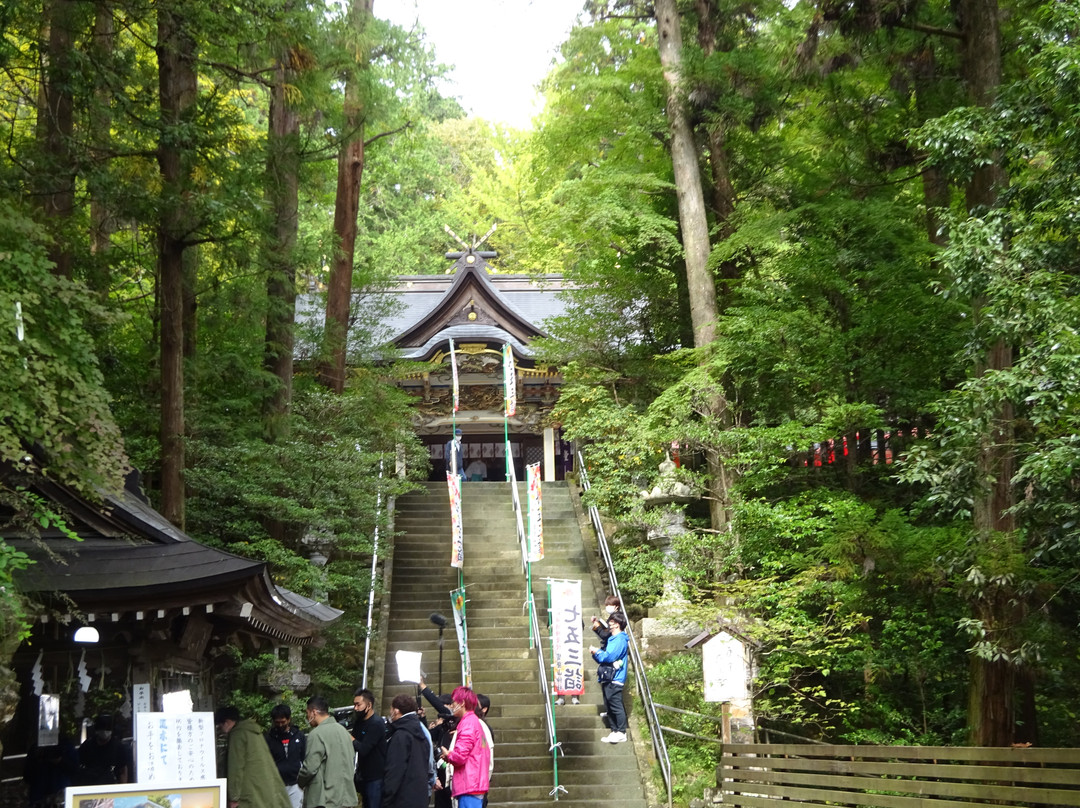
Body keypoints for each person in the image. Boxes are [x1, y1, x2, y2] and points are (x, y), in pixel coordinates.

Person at [215, 706, 293, 808]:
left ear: (227, 722)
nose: (222, 731)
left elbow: (235, 767)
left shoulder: (237, 735)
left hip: (249, 792)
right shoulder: (254, 731)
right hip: (267, 789)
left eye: (220, 726)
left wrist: (233, 797)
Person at [298, 696, 358, 808]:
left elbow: (310, 768)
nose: (307, 717)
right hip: (347, 797)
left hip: (326, 799)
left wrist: (300, 781)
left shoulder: (316, 734)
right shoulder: (344, 732)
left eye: (307, 713)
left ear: (313, 712)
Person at [438, 687, 491, 808]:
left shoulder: (467, 724)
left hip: (469, 783)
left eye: (453, 702)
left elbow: (460, 757)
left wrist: (448, 755)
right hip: (476, 782)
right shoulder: (475, 722)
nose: (452, 706)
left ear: (461, 703)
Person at [382, 694, 433, 808]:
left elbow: (394, 770)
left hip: (401, 798)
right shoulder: (422, 732)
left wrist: (386, 798)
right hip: (420, 795)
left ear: (396, 711)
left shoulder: (401, 735)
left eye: (391, 709)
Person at [590, 611, 630, 743]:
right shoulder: (614, 639)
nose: (609, 626)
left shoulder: (619, 639)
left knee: (615, 705)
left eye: (611, 623)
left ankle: (621, 731)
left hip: (615, 677)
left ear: (617, 625)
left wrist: (597, 651)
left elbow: (609, 656)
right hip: (609, 677)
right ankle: (614, 731)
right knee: (609, 704)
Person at [266, 703, 307, 808]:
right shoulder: (269, 738)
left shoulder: (299, 736)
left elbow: (305, 758)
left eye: (283, 722)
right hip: (276, 785)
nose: (280, 725)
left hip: (295, 784)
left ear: (289, 719)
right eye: (277, 722)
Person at [351, 688, 386, 808]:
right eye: (354, 705)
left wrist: (350, 739)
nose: (355, 708)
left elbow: (363, 749)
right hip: (363, 775)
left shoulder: (376, 723)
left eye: (358, 704)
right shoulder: (359, 722)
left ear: (369, 705)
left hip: (375, 777)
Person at [77, 714, 130, 785]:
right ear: (97, 730)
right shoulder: (87, 745)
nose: (104, 732)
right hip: (90, 784)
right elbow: (79, 766)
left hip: (110, 785)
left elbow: (123, 770)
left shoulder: (118, 747)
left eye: (107, 729)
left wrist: (122, 788)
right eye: (102, 728)